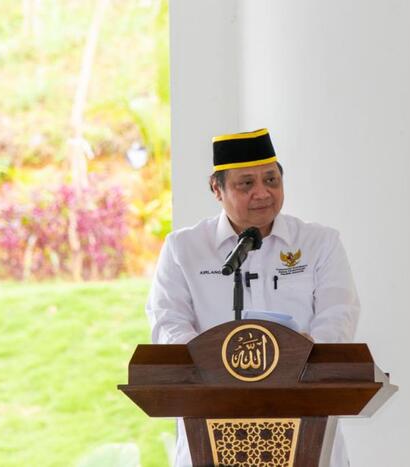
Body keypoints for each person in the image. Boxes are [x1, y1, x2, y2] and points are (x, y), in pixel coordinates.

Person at [146, 128, 360, 467]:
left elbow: (339, 313)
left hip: (304, 419)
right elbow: (167, 322)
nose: (262, 193)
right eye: (246, 184)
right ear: (216, 189)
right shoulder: (183, 249)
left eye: (271, 180)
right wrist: (210, 360)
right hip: (214, 425)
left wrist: (310, 349)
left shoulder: (319, 243)